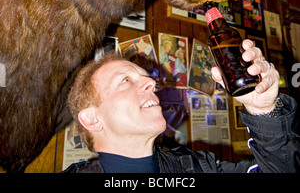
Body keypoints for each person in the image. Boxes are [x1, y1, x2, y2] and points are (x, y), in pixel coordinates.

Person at [64, 39, 300, 173]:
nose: (150, 82)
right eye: (125, 81)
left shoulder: (196, 168)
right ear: (92, 119)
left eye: (146, 77)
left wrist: (264, 111)